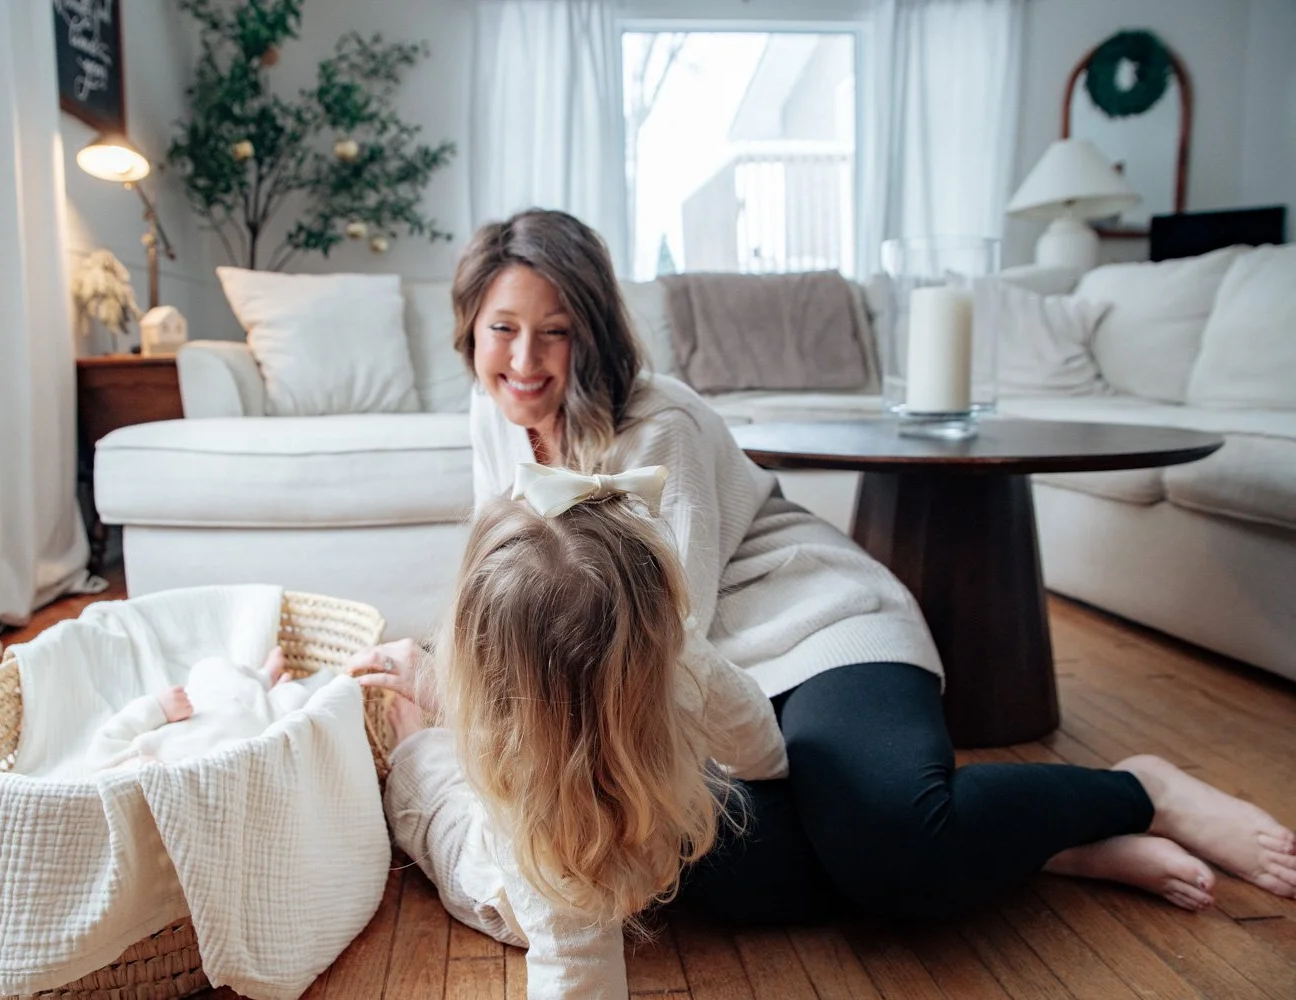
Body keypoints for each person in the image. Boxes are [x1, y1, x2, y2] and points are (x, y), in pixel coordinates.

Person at [355, 209, 1296, 928]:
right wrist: (437, 663)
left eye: (554, 330)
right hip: (703, 679)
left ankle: (1140, 790)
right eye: (501, 330)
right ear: (470, 332)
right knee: (644, 861)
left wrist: (455, 694)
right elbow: (518, 588)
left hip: (813, 634)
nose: (524, 360)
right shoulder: (498, 417)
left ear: (593, 331)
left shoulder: (659, 425)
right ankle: (1036, 846)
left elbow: (660, 635)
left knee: (888, 843)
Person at [371, 467, 787, 998]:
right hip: (556, 856)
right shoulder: (686, 662)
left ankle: (412, 736)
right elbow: (755, 735)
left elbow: (575, 976)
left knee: (423, 769)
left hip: (497, 885)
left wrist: (419, 738)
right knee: (443, 749)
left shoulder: (540, 827)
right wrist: (771, 773)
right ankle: (422, 709)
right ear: (655, 613)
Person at [87, 646, 330, 769]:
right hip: (254, 723)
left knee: (209, 667)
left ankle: (265, 676)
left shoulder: (106, 766)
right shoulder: (169, 792)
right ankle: (344, 672)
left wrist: (158, 707)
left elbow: (112, 733)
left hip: (201, 705)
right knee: (297, 701)